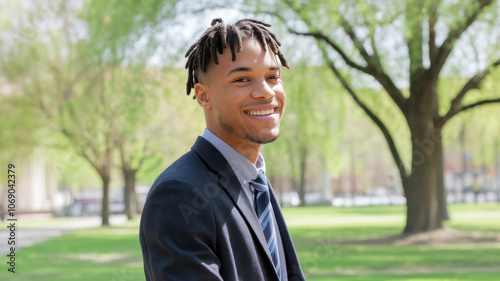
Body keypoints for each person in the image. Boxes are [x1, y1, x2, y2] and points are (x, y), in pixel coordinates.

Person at [139, 18, 306, 281]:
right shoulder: (179, 195)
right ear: (204, 96)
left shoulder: (254, 181)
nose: (265, 92)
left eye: (273, 76)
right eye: (242, 79)